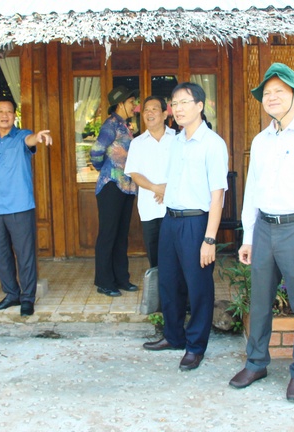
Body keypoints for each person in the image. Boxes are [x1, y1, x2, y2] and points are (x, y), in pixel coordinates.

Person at [227, 63, 294, 403]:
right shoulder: (261, 140)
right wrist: (247, 237)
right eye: (267, 93)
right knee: (259, 302)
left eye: (279, 92)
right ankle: (256, 362)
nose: (271, 98)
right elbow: (252, 191)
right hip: (263, 230)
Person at [143, 82, 228, 372]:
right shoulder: (176, 141)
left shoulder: (213, 144)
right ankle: (174, 336)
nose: (177, 109)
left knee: (198, 287)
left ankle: (195, 346)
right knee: (169, 282)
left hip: (196, 223)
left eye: (183, 103)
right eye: (174, 103)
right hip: (171, 220)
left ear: (200, 106)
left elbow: (218, 195)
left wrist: (210, 238)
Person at [0, 97, 52, 317]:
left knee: (25, 254)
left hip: (20, 207)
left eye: (9, 111)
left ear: (14, 115)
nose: (4, 115)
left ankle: (27, 298)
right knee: (1, 255)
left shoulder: (21, 136)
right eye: (0, 111)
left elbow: (30, 140)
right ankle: (11, 295)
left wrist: (38, 137)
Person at [91, 86, 139, 297]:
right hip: (111, 186)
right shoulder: (110, 125)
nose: (134, 106)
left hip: (126, 187)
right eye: (131, 102)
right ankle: (104, 281)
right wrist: (106, 169)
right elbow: (96, 151)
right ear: (121, 103)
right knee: (108, 235)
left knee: (121, 235)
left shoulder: (124, 126)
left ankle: (121, 278)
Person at [124, 95, 175, 268]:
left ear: (165, 113)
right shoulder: (137, 143)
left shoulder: (177, 139)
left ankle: (177, 295)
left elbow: (185, 170)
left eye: (154, 109)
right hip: (149, 208)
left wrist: (168, 189)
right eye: (146, 110)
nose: (149, 113)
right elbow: (134, 173)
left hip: (175, 207)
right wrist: (156, 188)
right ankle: (160, 293)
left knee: (176, 256)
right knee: (155, 258)